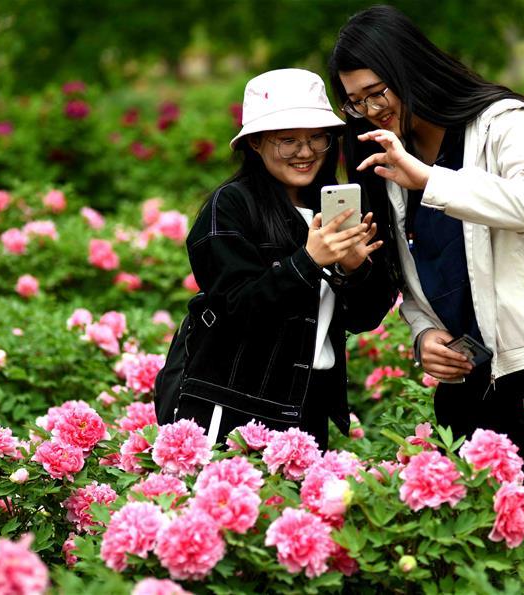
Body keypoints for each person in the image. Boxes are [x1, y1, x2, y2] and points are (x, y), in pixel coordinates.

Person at [329, 6, 524, 566]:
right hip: (469, 381)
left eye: (376, 92)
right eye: (355, 101)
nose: (367, 110)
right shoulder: (385, 153)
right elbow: (414, 274)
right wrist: (423, 336)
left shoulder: (502, 123)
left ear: (409, 67)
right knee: (483, 549)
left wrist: (428, 178)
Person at [159, 68, 397, 450]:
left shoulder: (335, 206)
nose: (305, 153)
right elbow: (236, 309)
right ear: (255, 143)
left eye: (317, 138)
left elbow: (365, 317)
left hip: (309, 402)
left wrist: (353, 270)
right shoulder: (232, 205)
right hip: (235, 402)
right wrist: (308, 260)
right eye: (287, 141)